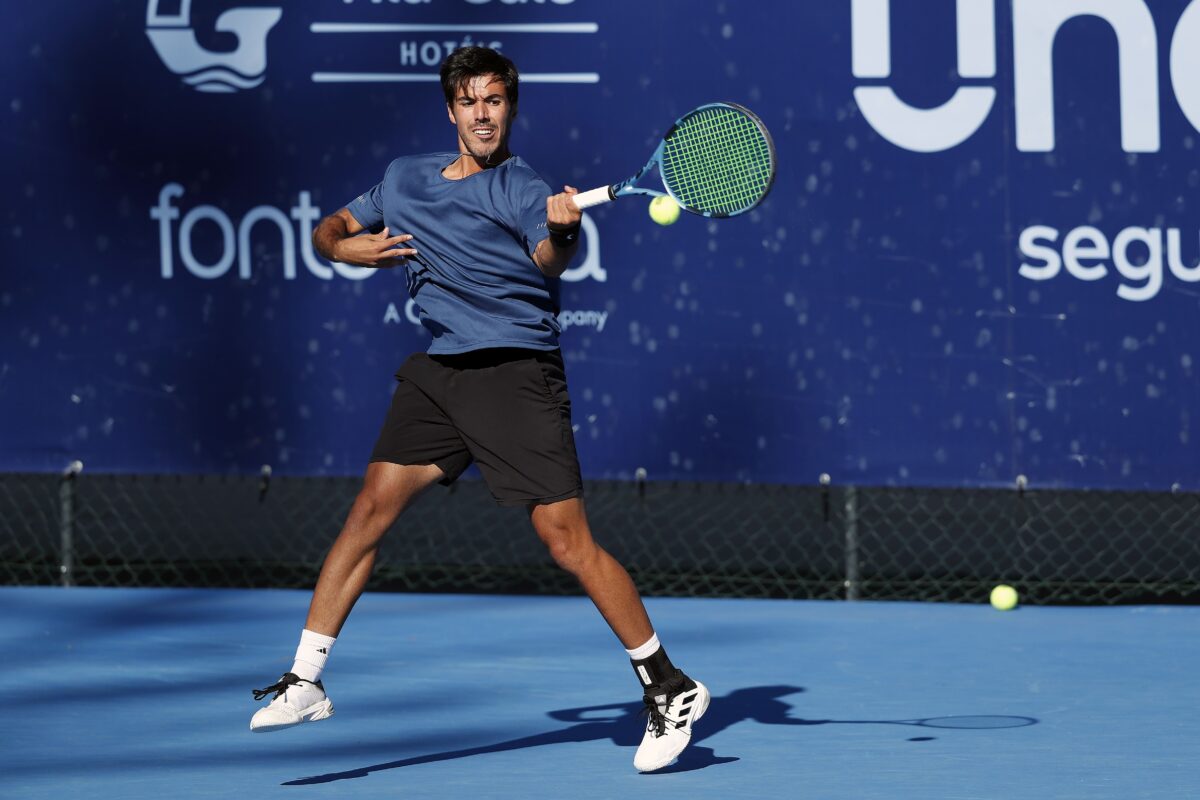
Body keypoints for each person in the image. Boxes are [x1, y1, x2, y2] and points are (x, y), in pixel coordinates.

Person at [247, 46, 707, 772]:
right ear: (451, 110)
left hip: (514, 375)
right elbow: (329, 226)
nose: (483, 113)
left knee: (566, 542)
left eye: (495, 101)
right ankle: (306, 678)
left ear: (510, 110)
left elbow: (547, 261)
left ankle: (668, 686)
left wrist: (562, 229)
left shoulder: (525, 190)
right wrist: (347, 250)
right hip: (441, 374)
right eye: (470, 101)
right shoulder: (404, 178)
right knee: (370, 506)